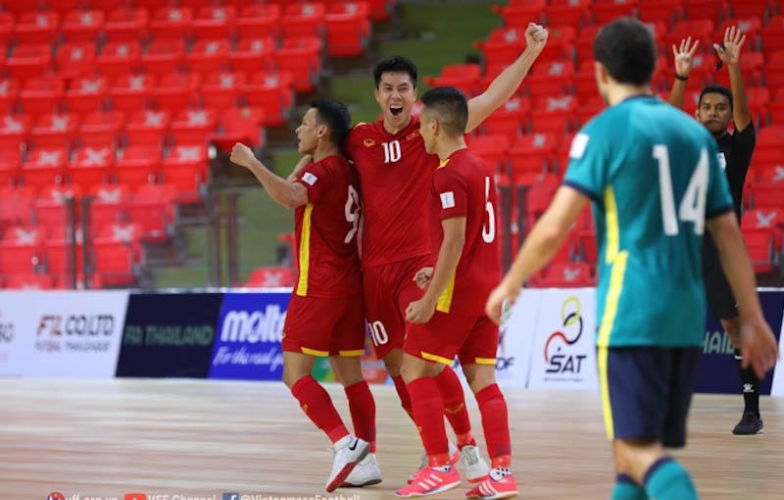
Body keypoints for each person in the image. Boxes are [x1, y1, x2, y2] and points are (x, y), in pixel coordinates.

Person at [485, 18, 779, 500]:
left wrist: (511, 281)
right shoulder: (695, 144)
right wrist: (753, 314)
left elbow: (556, 223)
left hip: (635, 306)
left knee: (639, 453)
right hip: (684, 313)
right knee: (634, 455)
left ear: (601, 73)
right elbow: (729, 235)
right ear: (656, 69)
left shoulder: (608, 131)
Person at [343, 22, 549, 484]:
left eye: (404, 87)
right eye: (388, 88)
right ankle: (447, 452)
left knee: (423, 363)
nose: (396, 95)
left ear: (415, 95)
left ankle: (461, 450)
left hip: (422, 265)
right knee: (399, 368)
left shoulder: (432, 131)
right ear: (377, 95)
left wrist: (529, 54)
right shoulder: (358, 139)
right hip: (374, 270)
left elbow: (494, 97)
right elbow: (320, 150)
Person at [230, 100, 375, 492]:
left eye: (305, 124)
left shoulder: (322, 173)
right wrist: (303, 161)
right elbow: (299, 186)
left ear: (322, 131)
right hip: (350, 286)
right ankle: (368, 457)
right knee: (352, 378)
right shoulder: (345, 169)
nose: (298, 129)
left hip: (319, 287)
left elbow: (292, 197)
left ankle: (344, 443)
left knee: (293, 373)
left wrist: (252, 163)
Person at [393, 87, 516, 499]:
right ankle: (501, 473)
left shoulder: (446, 172)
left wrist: (430, 298)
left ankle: (439, 466)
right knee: (484, 379)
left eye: (423, 124)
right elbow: (469, 240)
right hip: (488, 287)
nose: (420, 134)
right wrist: (435, 269)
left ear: (434, 125)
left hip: (458, 292)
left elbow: (456, 238)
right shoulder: (479, 165)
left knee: (416, 370)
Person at [669, 28, 762, 435]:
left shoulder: (736, 150)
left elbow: (744, 114)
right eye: (705, 107)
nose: (713, 112)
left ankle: (752, 410)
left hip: (722, 255)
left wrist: (737, 67)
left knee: (733, 329)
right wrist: (681, 77)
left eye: (720, 108)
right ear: (696, 113)